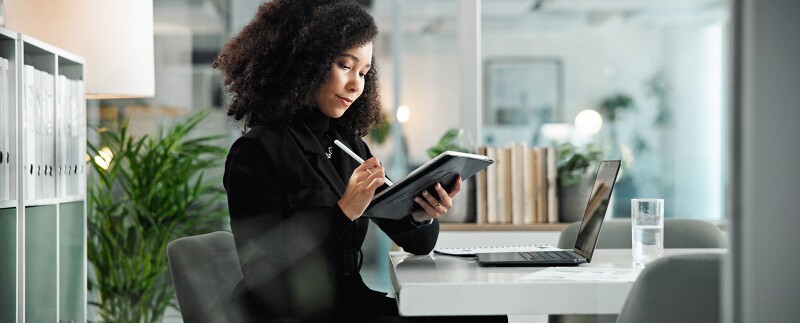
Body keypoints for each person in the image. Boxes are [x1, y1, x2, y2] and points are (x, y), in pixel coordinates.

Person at [215, 0, 506, 322]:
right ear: (303, 63)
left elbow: (419, 244)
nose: (356, 85)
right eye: (344, 65)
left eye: (364, 72)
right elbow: (264, 273)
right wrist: (344, 212)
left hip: (351, 304)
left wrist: (422, 214)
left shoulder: (349, 146)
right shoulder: (257, 151)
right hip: (293, 313)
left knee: (487, 314)